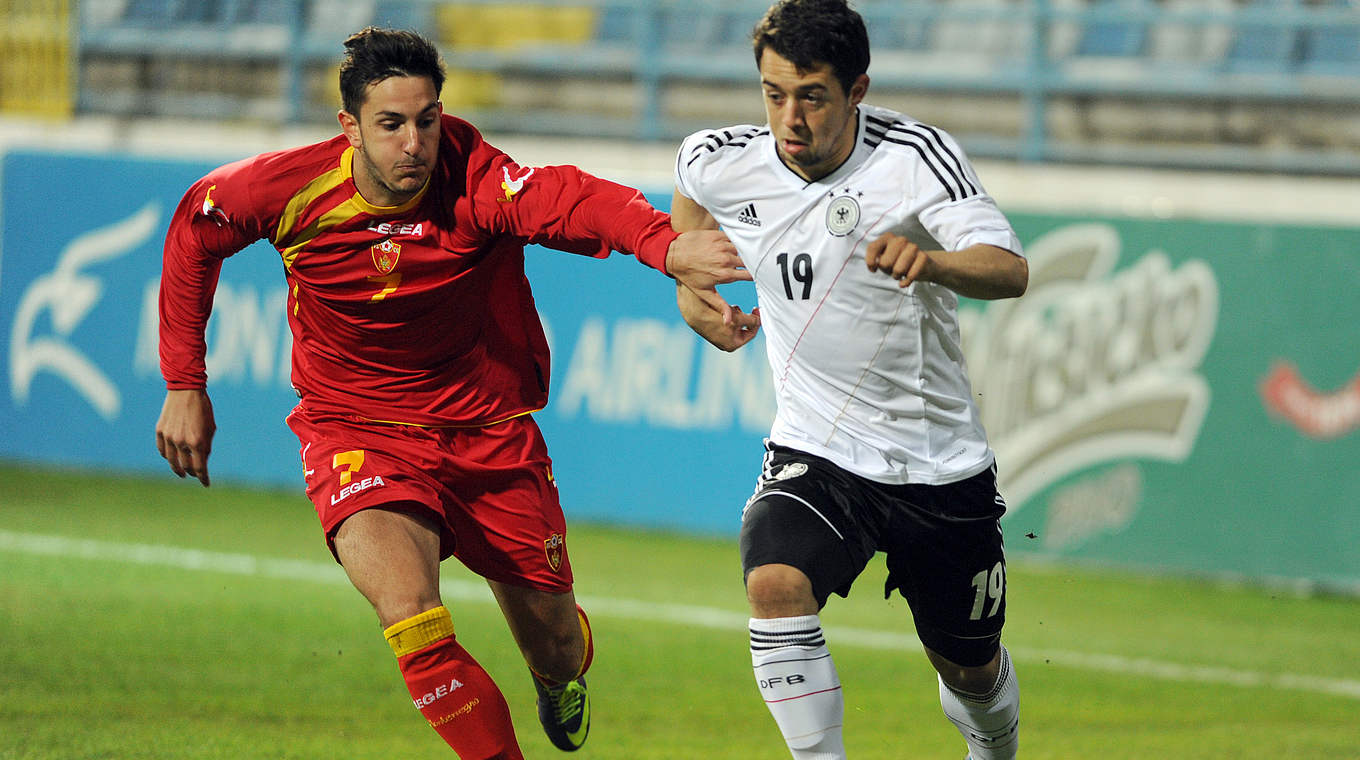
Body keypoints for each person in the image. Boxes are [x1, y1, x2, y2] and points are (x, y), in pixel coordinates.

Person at [154, 27, 748, 760]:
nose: (414, 143)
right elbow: (194, 228)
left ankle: (558, 675)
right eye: (392, 124)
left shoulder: (476, 181)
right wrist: (185, 382)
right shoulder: (287, 190)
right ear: (350, 128)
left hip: (488, 433)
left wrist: (664, 244)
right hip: (355, 429)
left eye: (427, 120)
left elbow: (574, 201)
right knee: (412, 615)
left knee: (558, 644)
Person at [670, 1, 1029, 758]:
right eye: (772, 94)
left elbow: (1009, 269)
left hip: (937, 464)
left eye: (811, 96)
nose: (788, 118)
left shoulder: (916, 157)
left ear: (857, 89)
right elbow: (691, 191)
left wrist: (932, 261)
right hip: (819, 449)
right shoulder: (723, 156)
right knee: (773, 583)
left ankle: (993, 748)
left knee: (969, 668)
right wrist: (691, 291)